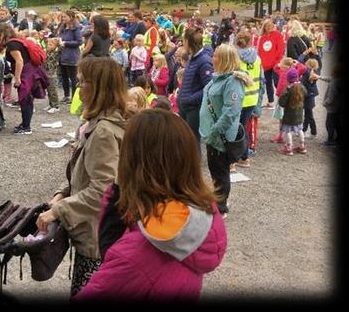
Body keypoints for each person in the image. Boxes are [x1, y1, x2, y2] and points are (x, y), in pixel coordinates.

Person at [74, 109, 226, 301]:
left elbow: (121, 263)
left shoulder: (134, 256)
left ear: (134, 162)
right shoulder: (199, 211)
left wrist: (119, 188)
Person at [37, 56, 130, 297]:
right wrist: (62, 192)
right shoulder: (98, 124)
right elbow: (79, 170)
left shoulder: (104, 132)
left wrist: (59, 210)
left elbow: (103, 190)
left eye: (83, 82)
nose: (79, 87)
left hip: (97, 238)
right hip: (94, 232)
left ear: (99, 87)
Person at [198, 44, 251, 216]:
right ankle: (217, 200)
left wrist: (214, 131)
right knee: (215, 169)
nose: (212, 59)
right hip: (211, 134)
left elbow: (231, 111)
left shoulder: (233, 82)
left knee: (220, 172)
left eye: (216, 56)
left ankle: (221, 208)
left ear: (225, 60)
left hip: (219, 136)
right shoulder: (218, 78)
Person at [178, 27, 214, 146]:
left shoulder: (204, 61)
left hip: (194, 108)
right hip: (185, 107)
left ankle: (195, 164)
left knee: (192, 140)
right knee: (184, 139)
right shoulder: (192, 58)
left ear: (188, 42)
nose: (183, 43)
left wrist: (191, 98)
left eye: (184, 40)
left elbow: (209, 87)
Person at [235, 31, 264, 167]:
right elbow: (261, 78)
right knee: (244, 127)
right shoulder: (257, 58)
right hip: (252, 97)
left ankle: (238, 157)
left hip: (240, 97)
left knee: (236, 128)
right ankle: (244, 157)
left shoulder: (236, 58)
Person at [278, 69, 308, 155]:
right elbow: (306, 94)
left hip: (289, 115)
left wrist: (284, 93)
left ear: (288, 79)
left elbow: (282, 103)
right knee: (300, 130)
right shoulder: (301, 87)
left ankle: (289, 147)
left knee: (288, 131)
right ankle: (302, 146)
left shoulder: (288, 90)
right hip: (299, 114)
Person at [257, 20, 285, 108]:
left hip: (275, 64)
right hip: (266, 64)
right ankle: (270, 101)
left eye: (271, 26)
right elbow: (260, 50)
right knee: (268, 83)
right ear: (264, 27)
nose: (269, 28)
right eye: (267, 26)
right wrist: (262, 61)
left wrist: (277, 61)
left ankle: (283, 101)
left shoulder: (277, 35)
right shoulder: (262, 38)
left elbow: (280, 50)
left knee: (277, 82)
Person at [59, 11, 83, 102]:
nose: (63, 19)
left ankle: (74, 98)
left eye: (65, 17)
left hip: (72, 56)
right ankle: (66, 95)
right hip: (63, 56)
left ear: (71, 17)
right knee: (64, 77)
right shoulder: (63, 28)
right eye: (63, 17)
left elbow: (79, 42)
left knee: (73, 78)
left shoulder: (76, 29)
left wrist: (66, 43)